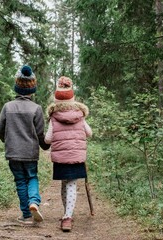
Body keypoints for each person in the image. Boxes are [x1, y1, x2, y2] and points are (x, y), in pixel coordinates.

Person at [0, 65, 51, 225]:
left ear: (16, 87)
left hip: (13, 152)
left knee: (20, 181)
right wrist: (45, 146)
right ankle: (34, 201)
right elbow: (40, 133)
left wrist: (8, 141)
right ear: (32, 89)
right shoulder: (36, 109)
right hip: (30, 153)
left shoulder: (8, 107)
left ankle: (26, 215)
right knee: (32, 177)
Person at [44, 76, 92, 232]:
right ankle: (67, 215)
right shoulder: (80, 115)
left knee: (65, 184)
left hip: (61, 158)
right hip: (76, 156)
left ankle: (67, 215)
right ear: (73, 98)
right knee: (71, 184)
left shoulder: (53, 117)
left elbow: (48, 139)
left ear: (56, 99)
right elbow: (89, 133)